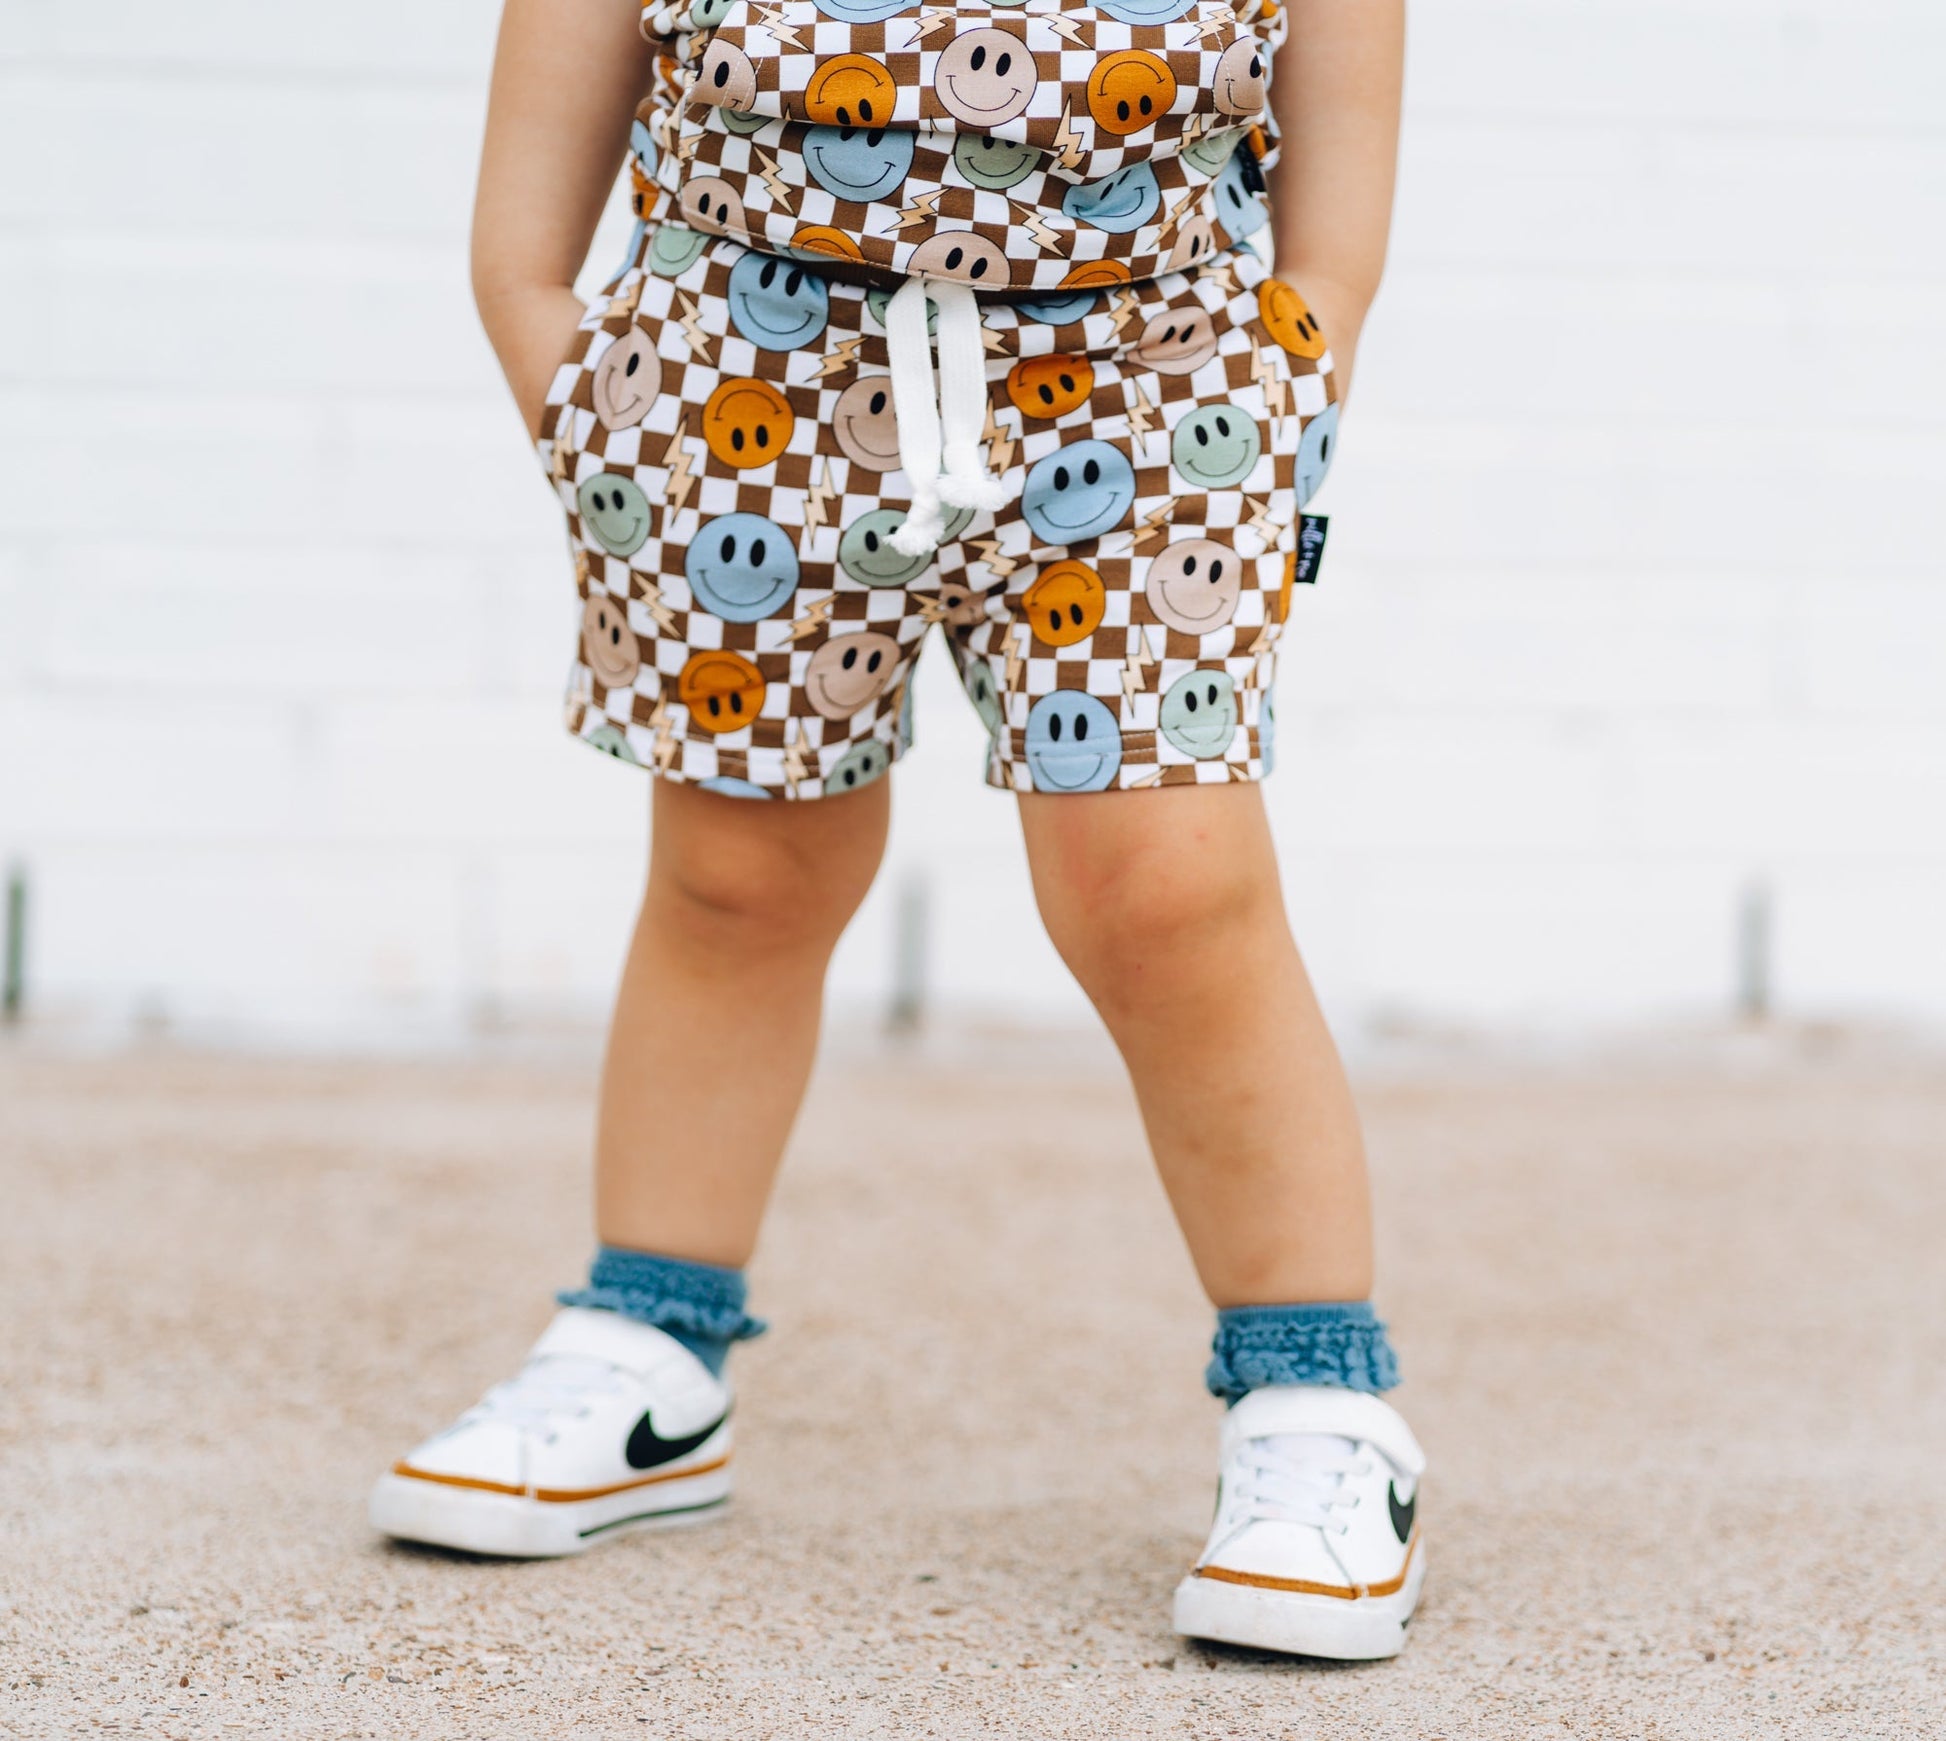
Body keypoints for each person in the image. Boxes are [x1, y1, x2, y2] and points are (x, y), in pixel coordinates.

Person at [369, 0, 1418, 1661]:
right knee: (734, 870)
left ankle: (1317, 1404)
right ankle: (649, 1353)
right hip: (742, 349)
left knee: (1165, 886)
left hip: (1150, 365)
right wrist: (536, 312)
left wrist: (1318, 314)